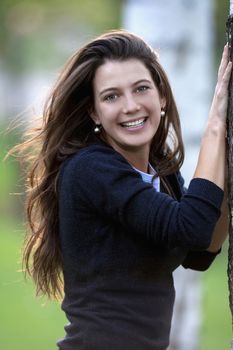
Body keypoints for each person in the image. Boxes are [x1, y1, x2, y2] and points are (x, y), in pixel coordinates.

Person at [17, 30, 231, 349]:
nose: (130, 106)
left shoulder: (160, 172)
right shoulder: (90, 169)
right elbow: (193, 228)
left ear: (161, 96)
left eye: (141, 88)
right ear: (94, 112)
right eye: (111, 96)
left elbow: (199, 252)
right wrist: (217, 124)